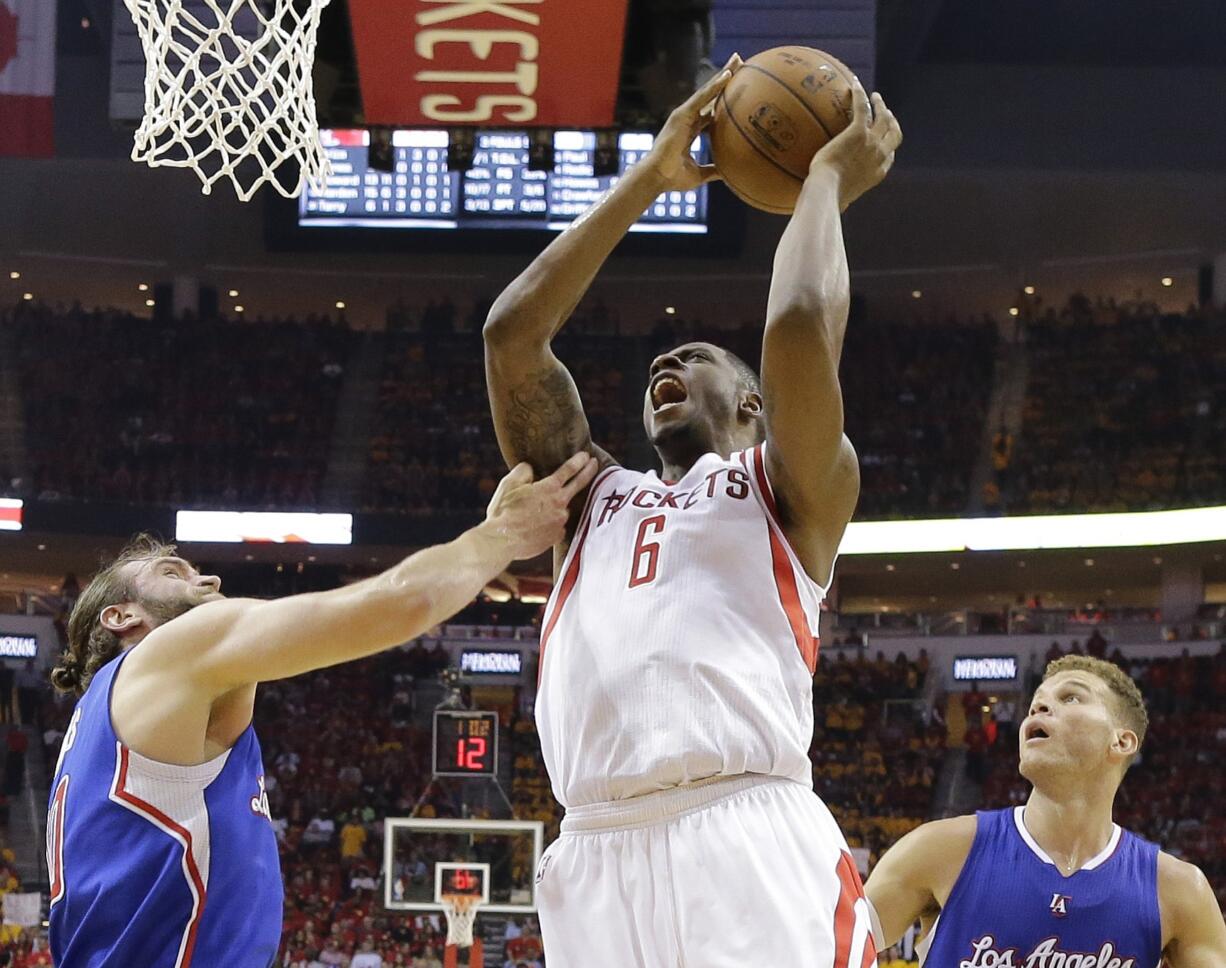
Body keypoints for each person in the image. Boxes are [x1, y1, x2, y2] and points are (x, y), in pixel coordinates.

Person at [483, 55, 901, 967]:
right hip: (592, 850)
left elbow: (795, 325)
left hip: (748, 836)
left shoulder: (791, 487)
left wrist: (823, 181)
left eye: (697, 355)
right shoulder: (587, 497)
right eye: (657, 365)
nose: (664, 364)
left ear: (754, 404)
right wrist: (650, 177)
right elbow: (513, 336)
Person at [44, 453, 597, 966]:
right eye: (173, 573)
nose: (209, 578)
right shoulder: (168, 655)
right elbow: (399, 605)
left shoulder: (102, 728)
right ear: (120, 617)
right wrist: (504, 532)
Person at [864, 655, 1226, 967]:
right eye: (1036, 702)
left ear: (1121, 740)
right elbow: (827, 950)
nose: (1039, 707)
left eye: (1070, 697)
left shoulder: (1179, 890)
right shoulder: (938, 850)